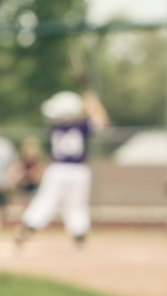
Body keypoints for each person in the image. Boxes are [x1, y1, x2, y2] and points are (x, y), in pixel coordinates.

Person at [15, 90, 109, 250]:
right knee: (77, 205)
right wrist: (93, 103)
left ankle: (27, 229)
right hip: (79, 170)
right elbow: (102, 120)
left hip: (58, 169)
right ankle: (79, 239)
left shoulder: (55, 127)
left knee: (45, 200)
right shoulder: (82, 126)